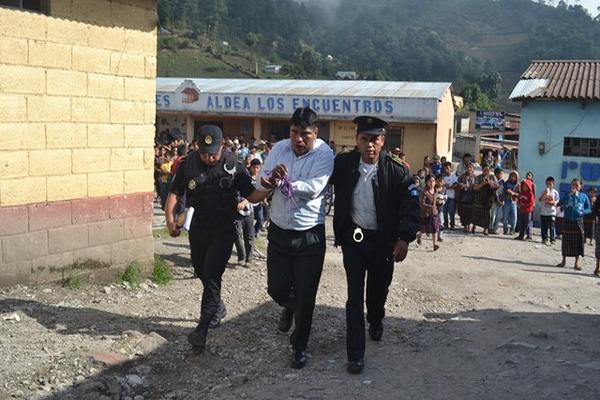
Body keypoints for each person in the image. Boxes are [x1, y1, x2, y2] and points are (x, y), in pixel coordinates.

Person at [165, 125, 267, 354]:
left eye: (213, 152)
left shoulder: (234, 166)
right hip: (199, 227)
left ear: (222, 146)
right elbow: (175, 192)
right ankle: (217, 307)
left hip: (224, 229)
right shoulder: (188, 163)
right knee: (201, 271)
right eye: (204, 152)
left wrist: (269, 188)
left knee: (212, 276)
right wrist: (171, 219)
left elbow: (252, 194)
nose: (209, 157)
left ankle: (201, 330)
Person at [330, 115, 419, 374]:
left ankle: (377, 318)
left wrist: (404, 237)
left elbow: (411, 207)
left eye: (375, 140)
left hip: (383, 243)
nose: (370, 145)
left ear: (383, 142)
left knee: (377, 292)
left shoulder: (397, 170)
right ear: (357, 141)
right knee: (354, 298)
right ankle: (355, 354)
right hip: (354, 241)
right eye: (364, 139)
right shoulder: (344, 164)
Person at [257, 107, 335, 369]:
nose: (299, 140)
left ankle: (299, 346)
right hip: (279, 230)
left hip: (309, 235)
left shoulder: (324, 154)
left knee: (306, 295)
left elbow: (313, 189)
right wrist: (270, 179)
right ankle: (290, 306)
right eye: (294, 133)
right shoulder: (279, 148)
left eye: (305, 135)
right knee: (276, 289)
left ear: (315, 133)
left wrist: (283, 181)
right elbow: (262, 179)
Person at [557, 178, 591, 270]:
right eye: (573, 185)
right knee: (566, 241)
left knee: (577, 241)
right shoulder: (567, 194)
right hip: (567, 220)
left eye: (576, 185)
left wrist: (583, 211)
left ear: (580, 186)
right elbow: (560, 203)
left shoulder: (584, 196)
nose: (574, 186)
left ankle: (576, 263)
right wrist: (569, 196)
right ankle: (563, 261)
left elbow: (589, 208)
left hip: (578, 221)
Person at [472, 164, 499, 235]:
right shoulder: (478, 177)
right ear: (482, 170)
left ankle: (485, 229)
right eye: (484, 170)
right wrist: (482, 184)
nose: (486, 171)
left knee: (487, 215)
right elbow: (475, 188)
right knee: (477, 213)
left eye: (488, 170)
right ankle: (474, 227)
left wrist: (490, 182)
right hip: (479, 198)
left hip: (488, 198)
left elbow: (497, 185)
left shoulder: (492, 176)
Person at [417, 175, 441, 251]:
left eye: (433, 181)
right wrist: (430, 206)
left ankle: (434, 244)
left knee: (435, 228)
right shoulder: (424, 192)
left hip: (434, 213)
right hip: (425, 214)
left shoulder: (436, 190)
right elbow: (421, 203)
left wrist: (439, 202)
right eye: (430, 181)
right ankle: (419, 236)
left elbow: (436, 201)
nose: (432, 183)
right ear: (426, 182)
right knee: (423, 229)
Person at [539, 177, 560, 245]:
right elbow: (540, 200)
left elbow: (556, 202)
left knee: (552, 226)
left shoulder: (555, 192)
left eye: (550, 184)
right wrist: (544, 194)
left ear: (553, 184)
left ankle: (552, 239)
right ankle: (544, 239)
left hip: (552, 212)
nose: (549, 185)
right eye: (547, 184)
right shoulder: (543, 191)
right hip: (543, 212)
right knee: (544, 226)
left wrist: (552, 202)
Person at [457, 163, 476, 233]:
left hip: (472, 196)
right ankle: (465, 226)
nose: (469, 169)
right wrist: (462, 185)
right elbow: (458, 183)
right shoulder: (462, 176)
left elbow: (477, 185)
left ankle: (469, 225)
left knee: (470, 211)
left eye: (471, 167)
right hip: (463, 196)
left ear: (473, 169)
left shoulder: (475, 177)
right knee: (463, 211)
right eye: (468, 167)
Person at [442, 162, 458, 230]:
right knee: (444, 211)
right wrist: (448, 186)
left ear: (450, 168)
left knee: (451, 212)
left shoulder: (454, 176)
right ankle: (445, 224)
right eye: (445, 168)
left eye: (447, 168)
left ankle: (452, 224)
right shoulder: (442, 177)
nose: (446, 170)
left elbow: (455, 185)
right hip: (444, 196)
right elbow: (441, 185)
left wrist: (448, 186)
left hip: (452, 197)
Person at [490, 167, 505, 235]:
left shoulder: (502, 182)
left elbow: (503, 192)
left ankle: (495, 229)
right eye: (501, 173)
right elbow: (494, 192)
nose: (502, 175)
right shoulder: (493, 181)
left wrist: (502, 201)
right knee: (493, 216)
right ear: (496, 174)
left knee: (498, 216)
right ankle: (490, 228)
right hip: (494, 202)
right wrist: (498, 200)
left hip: (501, 202)